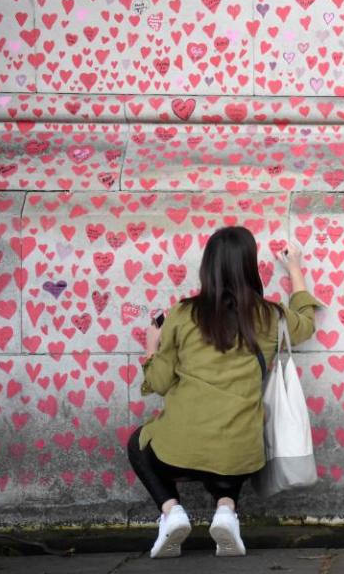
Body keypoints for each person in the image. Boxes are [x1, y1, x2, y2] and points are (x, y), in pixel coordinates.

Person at [126, 226, 320, 558]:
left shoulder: (183, 313)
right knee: (236, 438)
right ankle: (227, 510)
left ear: (208, 267)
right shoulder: (270, 316)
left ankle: (172, 513)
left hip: (181, 448)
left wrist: (150, 348)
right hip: (242, 455)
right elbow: (306, 321)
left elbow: (158, 383)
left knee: (138, 443)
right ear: (250, 266)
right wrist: (295, 268)